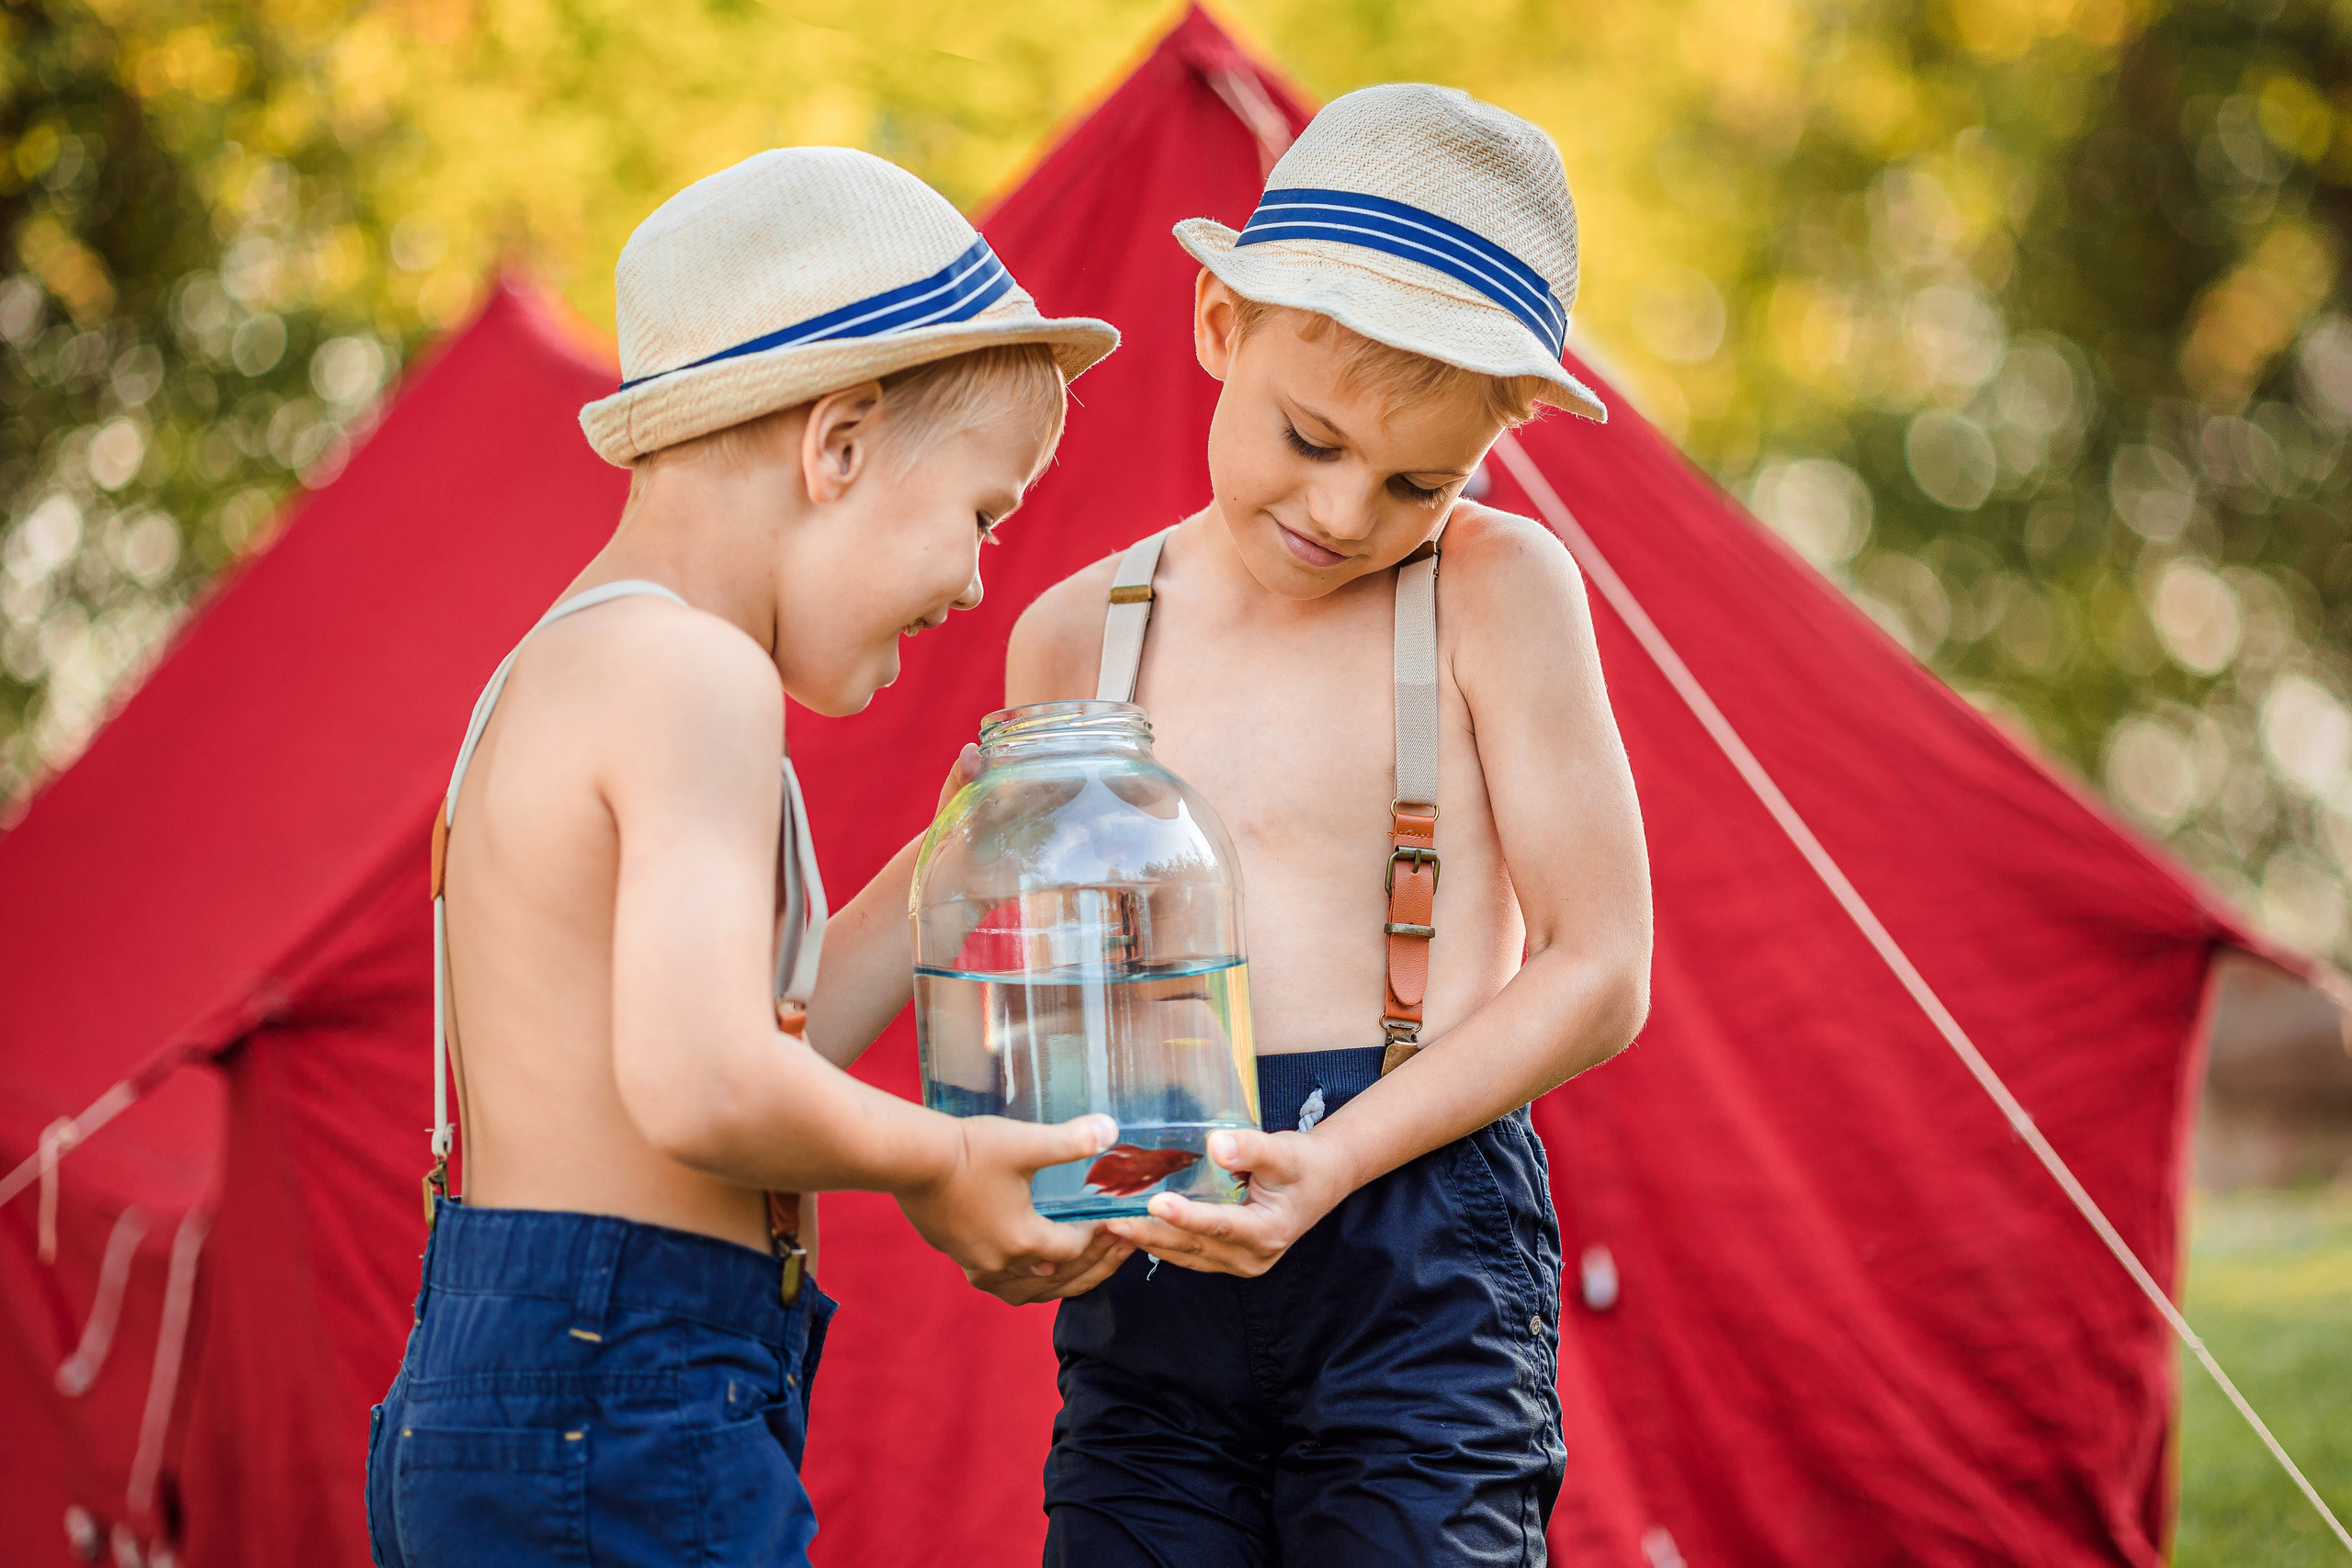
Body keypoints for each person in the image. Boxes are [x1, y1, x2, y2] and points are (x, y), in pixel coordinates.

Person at [365, 147, 1134, 1568]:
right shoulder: (697, 676)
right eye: (980, 515)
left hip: (516, 1377)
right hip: (630, 1391)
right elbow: (707, 1084)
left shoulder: (581, 661)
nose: (978, 581)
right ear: (835, 444)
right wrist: (944, 1156)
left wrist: (947, 862)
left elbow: (762, 1036)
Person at [1005, 85, 1654, 1565]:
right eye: (1312, 438)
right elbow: (1027, 964)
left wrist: (1345, 1158)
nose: (1352, 512)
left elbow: (1603, 964)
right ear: (1221, 327)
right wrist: (1032, 1175)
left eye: (1422, 480)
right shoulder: (1077, 638)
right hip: (1157, 1266)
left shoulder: (1499, 591)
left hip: (1421, 1249)